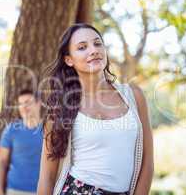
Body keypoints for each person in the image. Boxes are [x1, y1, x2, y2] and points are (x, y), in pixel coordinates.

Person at [37, 23, 154, 195]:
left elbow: (147, 162)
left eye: (97, 43)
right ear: (69, 60)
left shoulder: (134, 96)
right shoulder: (61, 108)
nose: (93, 50)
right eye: (82, 47)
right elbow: (47, 176)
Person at [0, 89, 43, 195]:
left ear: (38, 103)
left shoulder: (49, 130)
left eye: (27, 103)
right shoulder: (11, 129)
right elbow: (1, 161)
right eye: (20, 104)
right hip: (14, 190)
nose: (24, 107)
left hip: (42, 191)